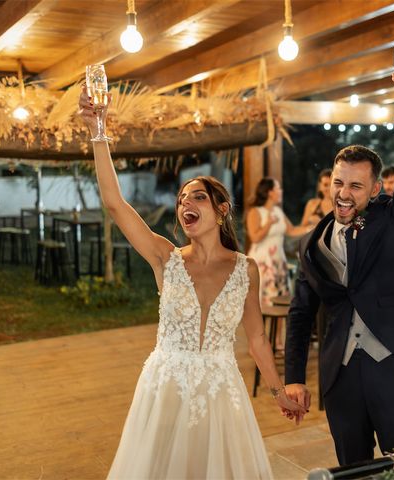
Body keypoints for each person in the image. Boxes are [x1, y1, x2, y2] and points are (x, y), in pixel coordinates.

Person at [78, 88, 304, 479]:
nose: (186, 204)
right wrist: (98, 130)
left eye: (197, 197)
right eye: (182, 199)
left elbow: (256, 340)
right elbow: (115, 202)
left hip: (220, 393)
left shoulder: (246, 269)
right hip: (165, 389)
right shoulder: (165, 257)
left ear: (220, 209)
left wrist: (278, 391)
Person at [284, 59, 394, 466]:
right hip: (340, 378)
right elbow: (300, 313)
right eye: (338, 183)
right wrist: (293, 377)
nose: (344, 193)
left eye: (356, 185)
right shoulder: (312, 244)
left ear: (376, 189)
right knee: (353, 470)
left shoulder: (391, 221)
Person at [246, 177, 313, 307]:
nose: (281, 191)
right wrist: (269, 224)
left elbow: (292, 230)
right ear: (270, 192)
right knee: (263, 302)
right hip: (263, 262)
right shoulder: (255, 212)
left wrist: (312, 228)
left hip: (278, 260)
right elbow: (255, 238)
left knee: (279, 299)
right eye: (278, 188)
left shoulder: (278, 211)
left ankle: (277, 327)